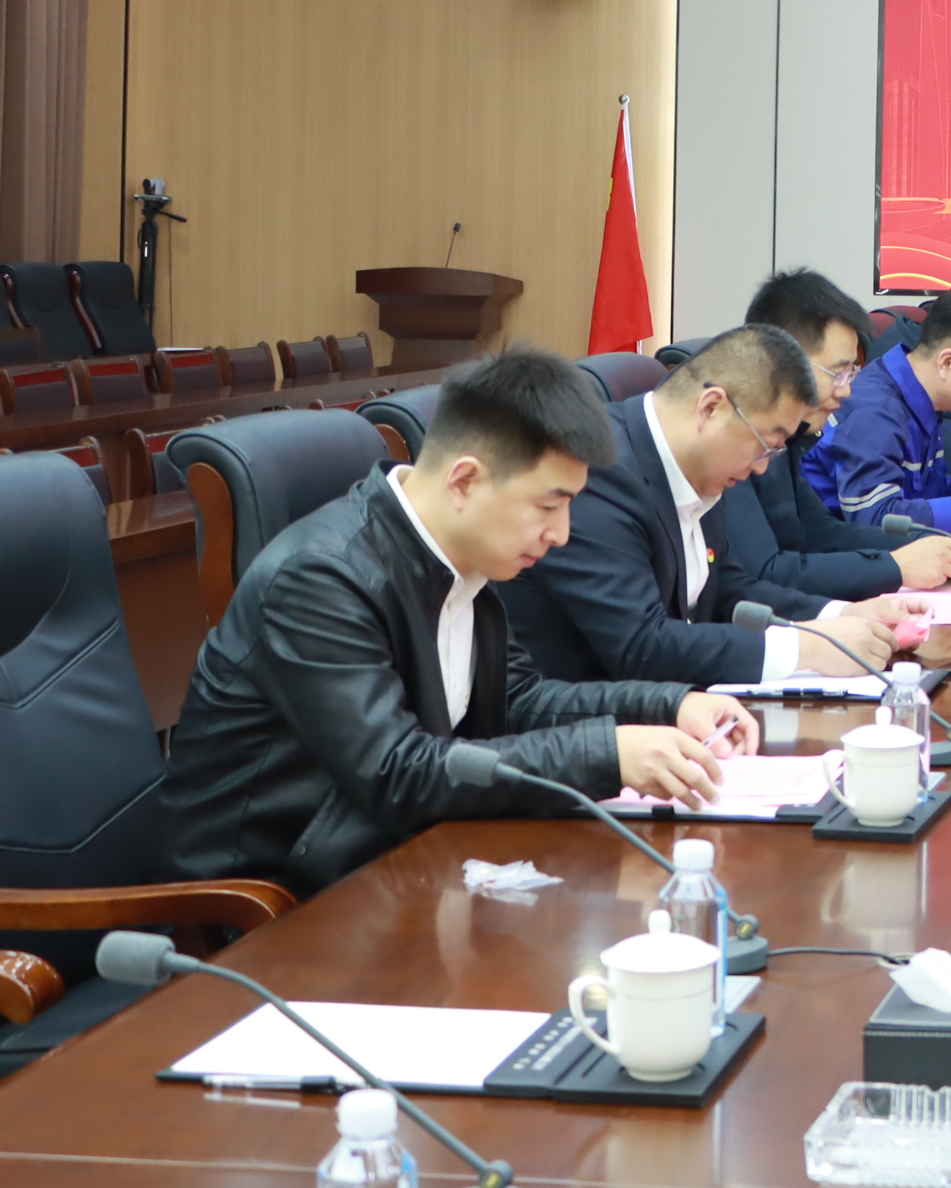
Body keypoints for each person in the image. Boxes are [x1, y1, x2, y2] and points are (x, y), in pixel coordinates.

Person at [164, 347, 748, 893]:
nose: (562, 533)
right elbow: (397, 773)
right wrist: (609, 754)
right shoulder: (319, 579)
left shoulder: (460, 560)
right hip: (277, 905)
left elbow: (517, 700)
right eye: (549, 504)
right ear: (464, 480)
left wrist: (670, 705)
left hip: (397, 866)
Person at [499, 325, 930, 687]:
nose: (762, 467)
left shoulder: (697, 467)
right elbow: (641, 646)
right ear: (710, 408)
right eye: (766, 444)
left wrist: (839, 615)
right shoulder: (599, 471)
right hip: (587, 726)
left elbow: (726, 587)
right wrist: (807, 647)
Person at [732, 269, 951, 603]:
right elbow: (764, 573)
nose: (847, 390)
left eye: (851, 372)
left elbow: (822, 535)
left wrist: (945, 546)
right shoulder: (732, 441)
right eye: (837, 373)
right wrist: (895, 567)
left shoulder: (789, 438)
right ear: (778, 360)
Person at [805, 279, 951, 531]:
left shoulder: (921, 398)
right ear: (947, 362)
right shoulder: (875, 411)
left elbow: (928, 497)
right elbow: (877, 519)